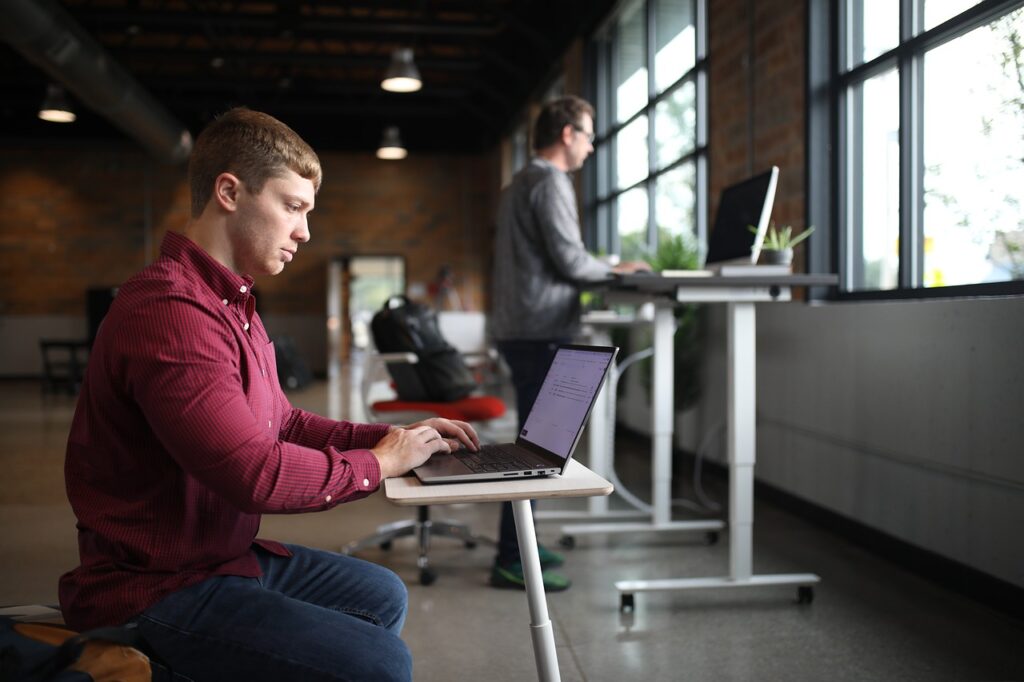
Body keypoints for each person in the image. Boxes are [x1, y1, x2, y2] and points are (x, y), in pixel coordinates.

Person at [58, 107, 479, 682]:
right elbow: (254, 473)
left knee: (379, 593)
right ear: (229, 191)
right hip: (153, 586)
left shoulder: (237, 307)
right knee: (379, 664)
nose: (305, 231)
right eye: (292, 206)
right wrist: (379, 465)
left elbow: (282, 423)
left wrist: (393, 437)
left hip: (218, 559)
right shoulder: (170, 310)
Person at [489, 96, 650, 591]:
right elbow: (571, 261)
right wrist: (616, 269)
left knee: (535, 443)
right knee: (539, 448)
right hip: (540, 329)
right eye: (588, 133)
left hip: (522, 325)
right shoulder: (550, 180)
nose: (591, 144)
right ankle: (512, 557)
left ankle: (523, 544)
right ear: (567, 134)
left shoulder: (520, 181)